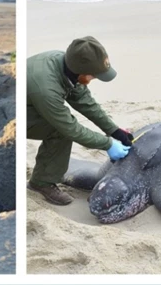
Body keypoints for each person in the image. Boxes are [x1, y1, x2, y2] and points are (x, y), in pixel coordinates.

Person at [26, 36, 133, 205]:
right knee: (59, 130)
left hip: (32, 103)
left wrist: (114, 131)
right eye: (94, 76)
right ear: (81, 72)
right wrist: (108, 144)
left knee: (62, 124)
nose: (94, 79)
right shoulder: (46, 89)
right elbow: (70, 128)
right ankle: (42, 183)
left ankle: (45, 177)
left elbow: (85, 102)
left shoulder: (67, 64)